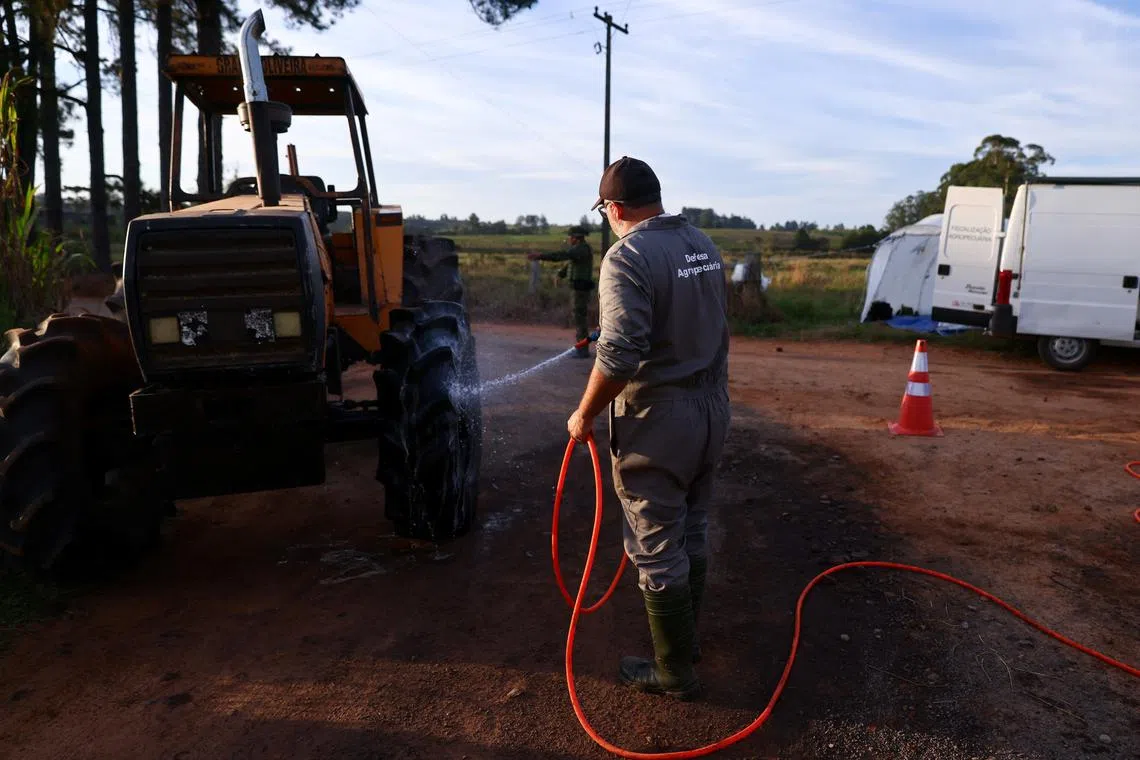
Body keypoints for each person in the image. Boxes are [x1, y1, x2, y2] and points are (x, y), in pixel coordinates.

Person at [566, 156, 731, 701]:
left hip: (659, 420)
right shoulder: (702, 245)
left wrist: (586, 414)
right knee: (694, 527)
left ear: (613, 208)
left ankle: (674, 674)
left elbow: (618, 354)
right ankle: (688, 645)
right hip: (711, 409)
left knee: (658, 546)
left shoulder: (627, 256)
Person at [528, 226, 594, 357]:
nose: (569, 240)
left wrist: (540, 256)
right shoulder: (579, 250)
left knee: (579, 319)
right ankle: (582, 349)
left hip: (580, 289)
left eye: (570, 237)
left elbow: (563, 255)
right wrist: (561, 274)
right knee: (578, 318)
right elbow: (571, 263)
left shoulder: (581, 249)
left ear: (575, 238)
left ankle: (582, 351)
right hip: (577, 288)